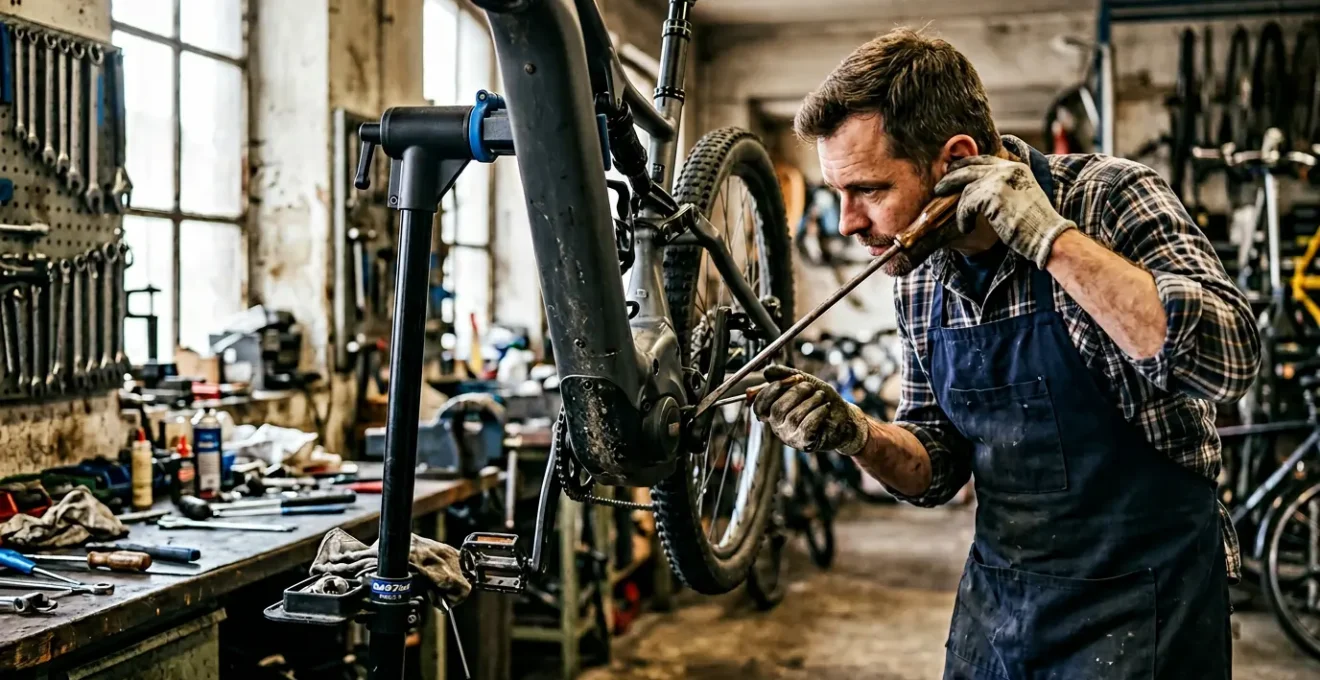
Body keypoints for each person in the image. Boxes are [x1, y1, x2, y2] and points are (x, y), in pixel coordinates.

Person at [752, 28, 1260, 679]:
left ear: (956, 159)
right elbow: (936, 464)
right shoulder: (920, 277)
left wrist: (1051, 239)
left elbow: (1228, 361)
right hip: (1003, 610)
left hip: (1148, 606)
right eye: (838, 194)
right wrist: (858, 435)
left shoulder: (1110, 198)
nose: (849, 222)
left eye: (869, 190)